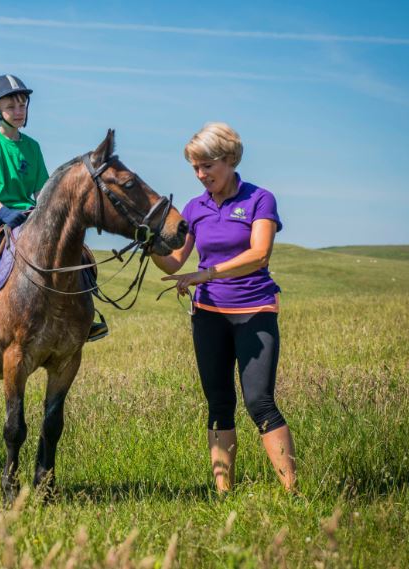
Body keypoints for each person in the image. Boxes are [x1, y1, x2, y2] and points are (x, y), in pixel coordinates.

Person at [152, 122, 297, 492]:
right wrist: (150, 244)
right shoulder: (194, 208)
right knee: (218, 403)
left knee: (259, 402)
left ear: (230, 159)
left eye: (207, 166)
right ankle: (223, 495)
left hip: (254, 312)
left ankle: (292, 491)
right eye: (195, 168)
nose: (201, 175)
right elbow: (174, 262)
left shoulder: (259, 199)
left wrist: (207, 274)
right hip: (209, 317)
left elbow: (259, 254)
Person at [0, 74, 108, 341]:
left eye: (22, 105)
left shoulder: (33, 146)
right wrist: (2, 212)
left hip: (29, 211)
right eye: (11, 107)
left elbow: (42, 190)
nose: (19, 112)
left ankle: (86, 312)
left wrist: (50, 214)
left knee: (76, 248)